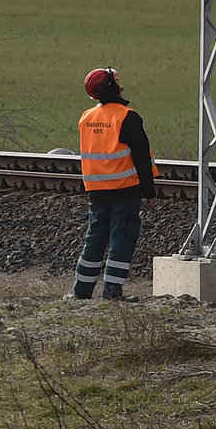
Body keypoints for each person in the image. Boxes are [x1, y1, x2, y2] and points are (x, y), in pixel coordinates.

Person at [67, 66, 156, 300]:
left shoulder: (87, 117)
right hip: (125, 190)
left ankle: (80, 292)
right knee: (121, 241)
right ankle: (112, 292)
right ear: (112, 87)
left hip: (96, 191)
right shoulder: (128, 117)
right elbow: (142, 159)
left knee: (94, 239)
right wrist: (150, 192)